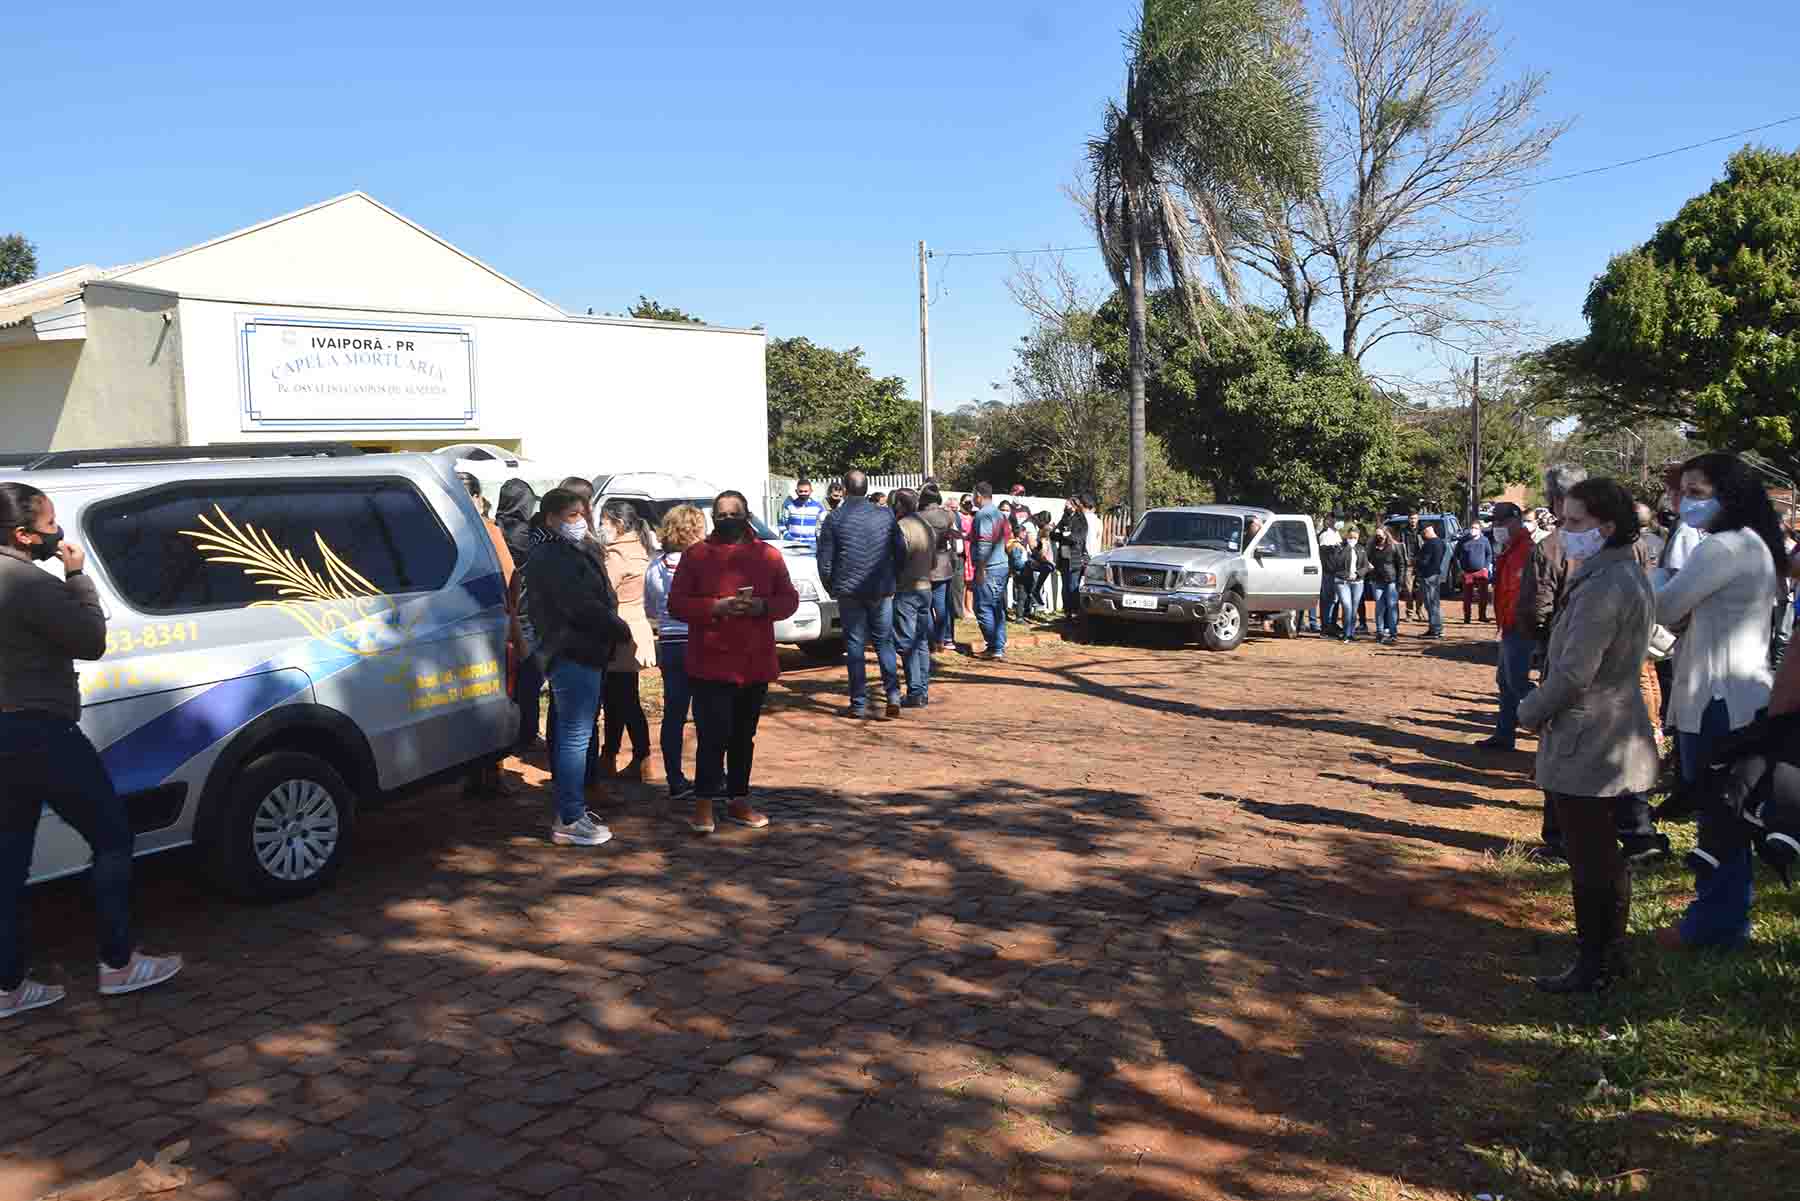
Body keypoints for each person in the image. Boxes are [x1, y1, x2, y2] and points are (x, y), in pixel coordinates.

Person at [1, 483, 183, 1019]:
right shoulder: (27, 582)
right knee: (111, 836)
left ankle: (8, 987)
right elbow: (90, 640)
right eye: (50, 523)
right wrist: (77, 576)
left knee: (9, 863)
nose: (57, 532)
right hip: (42, 732)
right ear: (22, 533)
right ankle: (119, 963)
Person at [1516, 480, 1659, 993]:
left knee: (1590, 855)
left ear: (1607, 527)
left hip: (1588, 733)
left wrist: (1529, 710)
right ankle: (1606, 957)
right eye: (1563, 521)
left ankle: (1595, 964)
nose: (1565, 533)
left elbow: (1575, 674)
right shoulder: (1621, 572)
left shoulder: (1605, 584)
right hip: (1605, 728)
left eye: (1575, 524)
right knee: (1600, 852)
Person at [1653, 452, 1783, 951]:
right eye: (1683, 491)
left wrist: (1659, 578)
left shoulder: (1721, 549)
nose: (1686, 502)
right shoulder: (1754, 545)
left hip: (1715, 699)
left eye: (1698, 492)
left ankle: (1715, 925)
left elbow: (1665, 607)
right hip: (1740, 693)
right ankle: (1721, 917)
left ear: (1729, 495)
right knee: (1727, 815)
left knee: (1718, 817)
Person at [667, 490, 798, 834]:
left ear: (746, 515)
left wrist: (762, 607)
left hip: (754, 662)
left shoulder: (768, 555)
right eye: (720, 514)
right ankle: (704, 805)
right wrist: (715, 607)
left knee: (743, 736)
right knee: (712, 735)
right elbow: (677, 604)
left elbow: (789, 599)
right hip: (710, 662)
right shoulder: (696, 555)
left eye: (732, 514)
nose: (726, 520)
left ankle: (739, 799)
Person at [526, 487, 630, 848]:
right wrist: (617, 626)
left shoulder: (573, 548)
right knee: (574, 737)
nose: (580, 520)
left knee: (577, 734)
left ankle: (572, 810)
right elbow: (578, 604)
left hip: (586, 650)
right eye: (572, 514)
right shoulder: (551, 554)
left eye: (583, 513)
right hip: (570, 651)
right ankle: (569, 816)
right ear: (552, 517)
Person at [816, 469, 905, 718]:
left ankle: (858, 704)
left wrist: (830, 586)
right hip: (880, 589)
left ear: (844, 489)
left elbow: (824, 560)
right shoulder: (885, 515)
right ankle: (893, 696)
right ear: (866, 489)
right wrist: (893, 579)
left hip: (849, 591)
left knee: (855, 645)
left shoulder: (834, 518)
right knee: (884, 641)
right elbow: (901, 551)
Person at [644, 504, 705, 802]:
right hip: (699, 638)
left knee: (674, 714)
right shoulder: (703, 562)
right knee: (708, 712)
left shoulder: (656, 565)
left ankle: (675, 778)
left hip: (669, 642)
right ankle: (712, 775)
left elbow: (650, 607)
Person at [597, 501, 658, 782]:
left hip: (617, 631)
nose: (601, 527)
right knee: (626, 698)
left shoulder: (617, 555)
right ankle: (638, 758)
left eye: (604, 521)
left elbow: (604, 593)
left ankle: (612, 756)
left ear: (617, 524)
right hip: (636, 628)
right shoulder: (642, 548)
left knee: (617, 701)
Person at [1480, 503, 1537, 756]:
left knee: (1517, 682)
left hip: (1520, 625)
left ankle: (1549, 724)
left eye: (1500, 522)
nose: (1496, 527)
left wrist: (1515, 621)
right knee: (1505, 681)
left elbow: (1521, 592)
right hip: (1509, 624)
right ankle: (1504, 735)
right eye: (1494, 523)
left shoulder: (1526, 550)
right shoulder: (1511, 548)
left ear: (1515, 521)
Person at [498, 480, 546, 751]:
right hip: (526, 615)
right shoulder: (527, 537)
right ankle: (526, 733)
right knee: (529, 679)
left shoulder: (492, 530)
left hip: (498, 614)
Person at [890, 489, 935, 707]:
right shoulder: (927, 526)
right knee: (921, 641)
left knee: (907, 642)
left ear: (900, 505)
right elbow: (934, 561)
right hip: (926, 588)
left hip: (907, 589)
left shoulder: (901, 527)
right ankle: (922, 690)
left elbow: (897, 560)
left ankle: (916, 691)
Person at [967, 482, 1014, 660]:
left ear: (978, 495)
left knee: (982, 607)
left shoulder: (983, 514)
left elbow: (985, 543)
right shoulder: (999, 514)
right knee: (996, 608)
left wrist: (980, 569)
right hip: (1000, 566)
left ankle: (995, 645)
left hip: (989, 568)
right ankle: (998, 645)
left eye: (973, 495)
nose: (972, 499)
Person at [916, 484, 958, 653]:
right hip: (943, 562)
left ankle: (932, 639)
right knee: (942, 605)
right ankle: (944, 638)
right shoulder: (948, 515)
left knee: (925, 605)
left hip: (925, 564)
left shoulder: (918, 517)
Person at [1323, 523, 1368, 644]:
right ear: (1347, 536)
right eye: (1350, 537)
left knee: (1353, 608)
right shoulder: (1340, 548)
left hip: (1357, 582)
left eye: (1355, 537)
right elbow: (1336, 563)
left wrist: (1358, 573)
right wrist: (1348, 546)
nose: (1353, 539)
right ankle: (1346, 633)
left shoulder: (1361, 549)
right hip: (1342, 582)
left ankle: (1350, 633)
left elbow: (1365, 565)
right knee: (1347, 606)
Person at [1364, 527, 1405, 645]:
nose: (1378, 537)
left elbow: (1401, 564)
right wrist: (1370, 571)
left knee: (1392, 606)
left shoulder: (1394, 547)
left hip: (1391, 580)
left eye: (1380, 535)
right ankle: (1380, 632)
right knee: (1379, 607)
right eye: (1376, 535)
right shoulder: (1371, 548)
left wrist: (1400, 581)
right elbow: (1366, 560)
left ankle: (1393, 633)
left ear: (1386, 535)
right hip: (1377, 581)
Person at [1414, 524, 1450, 638]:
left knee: (1431, 604)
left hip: (1428, 575)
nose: (1423, 535)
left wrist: (1415, 561)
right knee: (1434, 603)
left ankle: (1436, 630)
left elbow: (1424, 561)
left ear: (1427, 531)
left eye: (1423, 533)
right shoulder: (1441, 543)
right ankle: (1435, 628)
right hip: (1435, 574)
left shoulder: (1429, 544)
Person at [1457, 520, 1493, 623]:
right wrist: (1460, 569)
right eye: (1472, 528)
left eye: (1476, 528)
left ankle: (1482, 616)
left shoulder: (1485, 540)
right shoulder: (1463, 540)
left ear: (1480, 530)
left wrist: (1486, 567)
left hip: (1481, 572)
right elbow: (1456, 555)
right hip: (1467, 572)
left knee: (1483, 596)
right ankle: (1467, 617)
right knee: (1467, 597)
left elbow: (1489, 554)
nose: (1473, 530)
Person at [1316, 514, 1345, 635]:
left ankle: (1332, 623)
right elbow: (1325, 555)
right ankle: (1326, 626)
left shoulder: (1336, 533)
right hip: (1328, 573)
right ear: (1330, 520)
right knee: (1328, 600)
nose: (1340, 522)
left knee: (1335, 601)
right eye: (1337, 519)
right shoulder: (1325, 534)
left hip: (1336, 572)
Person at [779, 478, 826, 550]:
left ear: (811, 491)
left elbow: (826, 525)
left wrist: (820, 537)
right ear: (796, 491)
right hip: (792, 545)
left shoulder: (818, 507)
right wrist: (788, 537)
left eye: (806, 491)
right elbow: (781, 524)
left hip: (811, 547)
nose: (803, 493)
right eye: (801, 491)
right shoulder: (789, 506)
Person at [1398, 513, 1423, 622]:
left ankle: (1419, 611)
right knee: (1408, 590)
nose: (1413, 520)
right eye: (1411, 518)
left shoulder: (1422, 530)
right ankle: (1409, 613)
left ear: (1418, 519)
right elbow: (1399, 545)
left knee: (1420, 590)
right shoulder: (1403, 531)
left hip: (1420, 563)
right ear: (1408, 519)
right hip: (1408, 563)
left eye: (1415, 518)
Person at [958, 496, 978, 618]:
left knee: (971, 582)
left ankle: (970, 607)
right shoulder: (958, 516)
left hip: (972, 550)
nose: (969, 505)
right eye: (967, 502)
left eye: (971, 503)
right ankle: (962, 608)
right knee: (963, 582)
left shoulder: (973, 517)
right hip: (963, 550)